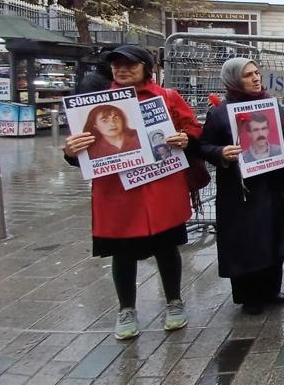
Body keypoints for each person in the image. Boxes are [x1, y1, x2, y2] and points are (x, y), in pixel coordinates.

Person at [62, 45, 200, 340]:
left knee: (166, 246)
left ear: (146, 67)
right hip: (118, 193)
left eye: (130, 64)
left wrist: (185, 138)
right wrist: (71, 151)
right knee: (122, 252)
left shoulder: (168, 97)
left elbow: (193, 129)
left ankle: (174, 301)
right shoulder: (92, 105)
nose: (122, 70)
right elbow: (79, 150)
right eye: (116, 65)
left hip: (161, 187)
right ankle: (126, 309)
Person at [198, 57, 284, 315]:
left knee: (274, 235)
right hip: (241, 190)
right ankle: (249, 294)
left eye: (257, 73)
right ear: (234, 79)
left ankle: (271, 288)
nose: (256, 78)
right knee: (247, 240)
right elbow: (203, 146)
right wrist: (221, 152)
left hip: (274, 184)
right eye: (248, 75)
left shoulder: (272, 105)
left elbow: (282, 141)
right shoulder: (220, 112)